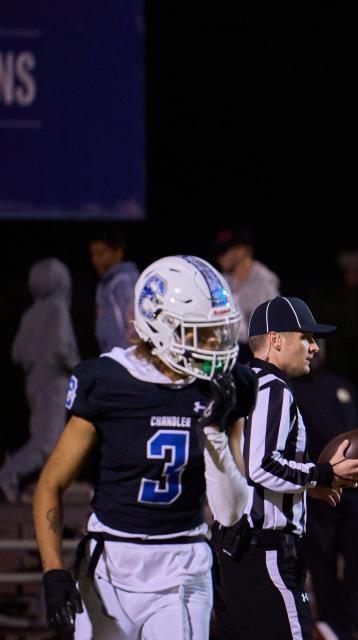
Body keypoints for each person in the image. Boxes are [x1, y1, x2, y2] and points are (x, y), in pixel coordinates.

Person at [32, 255, 255, 640]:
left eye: (218, 332)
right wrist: (53, 570)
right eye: (200, 333)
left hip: (183, 563)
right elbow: (51, 483)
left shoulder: (226, 386)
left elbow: (232, 512)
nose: (214, 347)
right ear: (160, 326)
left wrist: (215, 430)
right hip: (109, 565)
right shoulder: (108, 380)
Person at [212, 297, 358, 640]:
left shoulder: (242, 384)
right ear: (276, 340)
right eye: (306, 337)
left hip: (233, 549)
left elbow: (246, 466)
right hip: (264, 551)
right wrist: (324, 474)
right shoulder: (272, 388)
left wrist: (307, 485)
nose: (315, 347)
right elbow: (262, 466)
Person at [289, 346, 358, 640]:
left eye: (318, 341)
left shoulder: (341, 385)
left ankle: (342, 625)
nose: (314, 348)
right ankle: (331, 623)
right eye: (306, 339)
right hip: (314, 491)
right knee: (321, 560)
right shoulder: (285, 391)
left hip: (353, 493)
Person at [1, 259, 80, 502]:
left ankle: (38, 485)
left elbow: (16, 352)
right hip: (53, 381)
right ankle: (8, 474)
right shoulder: (56, 309)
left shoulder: (31, 313)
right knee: (48, 442)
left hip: (33, 380)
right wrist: (82, 369)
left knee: (48, 440)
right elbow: (61, 348)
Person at [214, 227, 280, 360]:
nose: (220, 257)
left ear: (242, 250)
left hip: (254, 354)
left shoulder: (263, 281)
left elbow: (271, 330)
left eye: (225, 250)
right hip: (227, 351)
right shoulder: (224, 279)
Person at [89, 229, 138, 353]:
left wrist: (128, 359)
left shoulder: (124, 282)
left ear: (118, 252)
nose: (95, 260)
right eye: (93, 255)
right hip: (112, 356)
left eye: (100, 254)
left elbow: (133, 326)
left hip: (125, 359)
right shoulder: (105, 283)